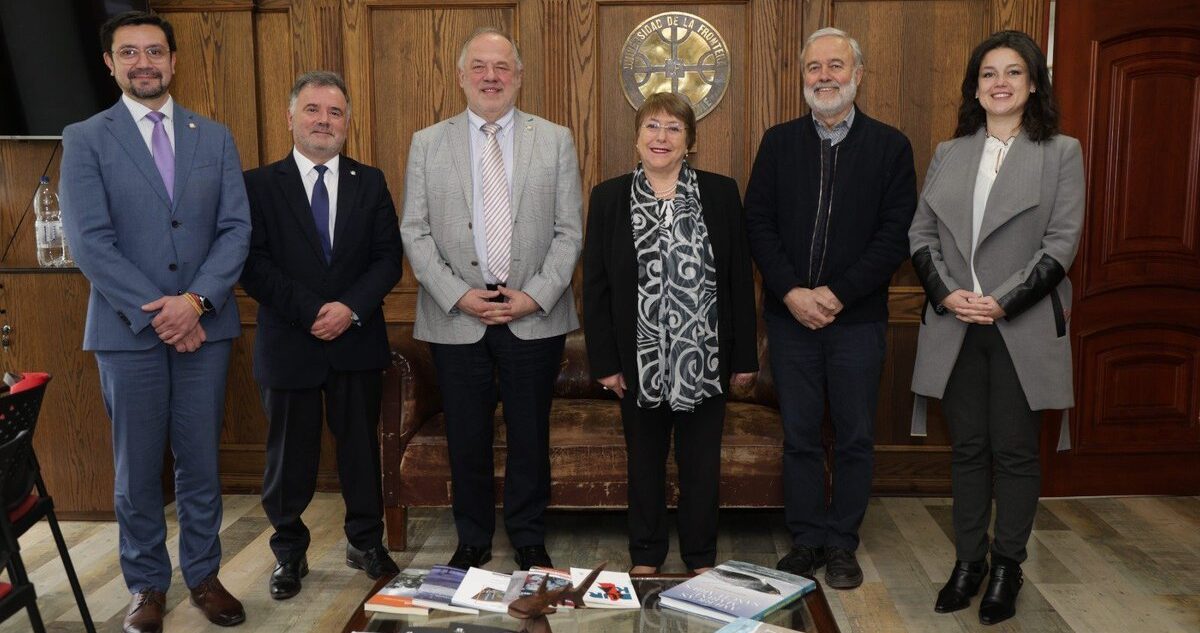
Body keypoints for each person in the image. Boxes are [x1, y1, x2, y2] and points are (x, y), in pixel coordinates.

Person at [59, 10, 250, 633]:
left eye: (156, 51)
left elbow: (234, 230)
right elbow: (90, 242)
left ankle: (203, 574)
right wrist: (164, 312)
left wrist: (194, 302)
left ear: (173, 60)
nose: (145, 62)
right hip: (127, 332)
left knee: (200, 460)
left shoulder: (214, 136)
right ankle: (145, 585)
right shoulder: (86, 137)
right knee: (137, 468)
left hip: (206, 327)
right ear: (109, 64)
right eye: (129, 52)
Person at [910, 30, 1083, 625]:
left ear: (1033, 83)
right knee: (968, 452)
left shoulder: (1062, 152)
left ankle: (1007, 566)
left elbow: (1061, 245)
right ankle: (968, 563)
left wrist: (1001, 301)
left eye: (1013, 72)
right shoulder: (949, 152)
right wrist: (946, 293)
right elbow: (921, 236)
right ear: (975, 87)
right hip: (956, 323)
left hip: (1020, 325)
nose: (1000, 83)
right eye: (989, 74)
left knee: (1013, 453)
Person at [400, 27, 583, 572]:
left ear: (519, 77)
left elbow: (569, 232)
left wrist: (535, 296)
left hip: (532, 316)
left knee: (530, 436)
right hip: (457, 319)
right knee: (467, 438)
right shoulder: (427, 142)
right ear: (460, 76)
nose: (490, 76)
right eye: (478, 66)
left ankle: (529, 536)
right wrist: (459, 297)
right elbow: (416, 232)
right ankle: (473, 538)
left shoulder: (555, 139)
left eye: (501, 67)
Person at [744, 27, 917, 589]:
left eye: (835, 66)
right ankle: (806, 540)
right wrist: (793, 291)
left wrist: (838, 294)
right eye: (813, 67)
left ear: (857, 75)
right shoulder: (778, 142)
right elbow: (758, 224)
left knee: (854, 436)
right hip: (789, 319)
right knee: (797, 435)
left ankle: (842, 542)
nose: (824, 76)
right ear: (802, 79)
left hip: (857, 321)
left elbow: (895, 236)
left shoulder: (890, 146)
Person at [240, 71, 403, 599]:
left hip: (356, 340)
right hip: (290, 341)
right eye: (313, 110)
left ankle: (365, 542)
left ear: (347, 122)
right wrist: (313, 311)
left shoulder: (370, 181)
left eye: (334, 113)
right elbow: (252, 264)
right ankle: (289, 552)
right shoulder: (258, 185)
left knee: (361, 451)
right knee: (288, 458)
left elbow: (388, 260)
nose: (323, 121)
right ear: (291, 118)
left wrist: (349, 309)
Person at [582, 92, 758, 574]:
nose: (662, 137)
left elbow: (739, 279)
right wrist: (605, 363)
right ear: (637, 138)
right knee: (644, 466)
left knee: (702, 467)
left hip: (703, 357)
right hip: (638, 363)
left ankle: (700, 556)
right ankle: (646, 555)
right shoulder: (608, 197)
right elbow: (594, 286)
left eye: (674, 129)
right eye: (652, 127)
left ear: (690, 142)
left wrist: (744, 358)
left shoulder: (720, 193)